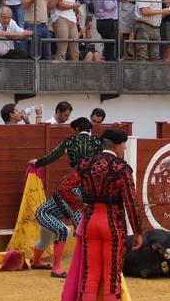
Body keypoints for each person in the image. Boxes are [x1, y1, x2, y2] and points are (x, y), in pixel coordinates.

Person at [58, 128, 143, 301]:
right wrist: (138, 232)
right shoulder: (121, 168)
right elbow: (131, 203)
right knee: (111, 277)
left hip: (90, 221)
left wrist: (80, 205)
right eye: (124, 145)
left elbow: (63, 187)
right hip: (112, 224)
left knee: (91, 275)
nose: (124, 149)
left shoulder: (86, 164)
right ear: (117, 145)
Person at [28, 116, 103, 277]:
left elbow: (54, 155)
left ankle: (36, 262)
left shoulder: (70, 141)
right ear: (90, 128)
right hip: (60, 202)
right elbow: (79, 224)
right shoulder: (98, 142)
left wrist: (38, 163)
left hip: (54, 206)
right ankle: (58, 268)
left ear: (76, 130)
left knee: (45, 239)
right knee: (67, 230)